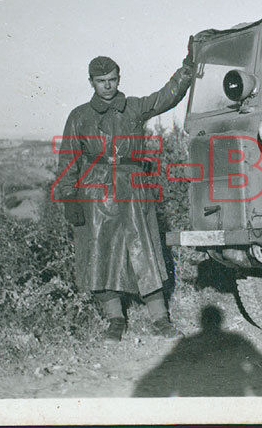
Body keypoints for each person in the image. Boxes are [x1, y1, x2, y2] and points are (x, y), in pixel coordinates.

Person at [53, 40, 195, 341]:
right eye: (101, 81)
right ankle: (115, 320)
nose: (107, 85)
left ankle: (160, 318)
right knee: (101, 254)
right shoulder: (79, 116)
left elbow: (166, 97)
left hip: (133, 188)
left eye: (112, 79)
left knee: (145, 250)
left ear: (119, 78)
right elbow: (68, 159)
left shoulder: (134, 107)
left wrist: (187, 69)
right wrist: (69, 197)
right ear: (91, 82)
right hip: (96, 193)